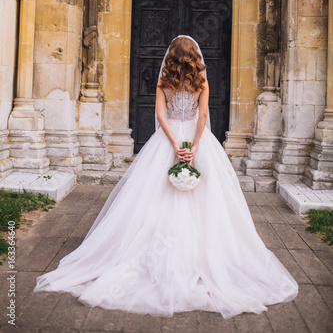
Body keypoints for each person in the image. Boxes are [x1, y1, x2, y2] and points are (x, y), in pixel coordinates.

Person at [34, 35, 298, 318]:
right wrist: (194, 146)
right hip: (198, 141)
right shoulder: (202, 81)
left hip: (168, 139)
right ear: (195, 57)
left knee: (150, 197)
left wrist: (174, 144)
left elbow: (161, 116)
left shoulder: (164, 81)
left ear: (171, 57)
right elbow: (202, 116)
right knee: (210, 198)